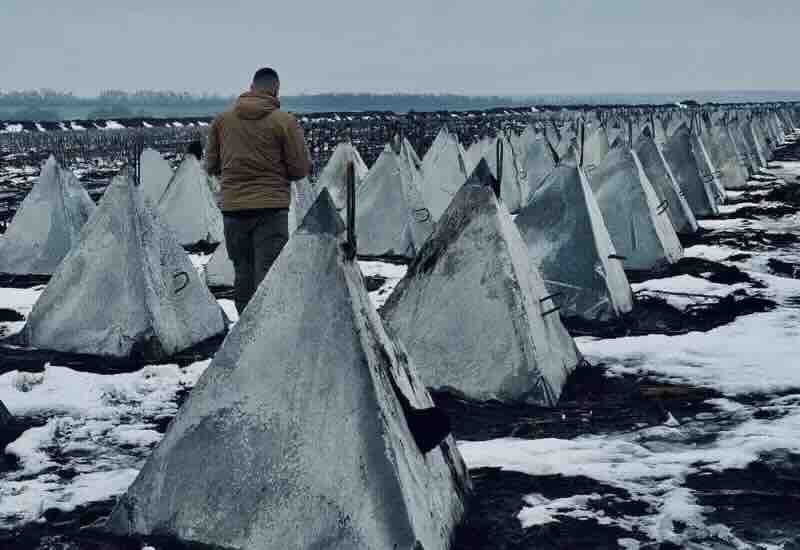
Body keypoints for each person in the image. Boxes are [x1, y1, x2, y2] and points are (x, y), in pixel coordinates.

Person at [206, 67, 311, 313]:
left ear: (251, 87)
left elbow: (210, 165)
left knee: (243, 272)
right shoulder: (284, 122)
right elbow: (299, 169)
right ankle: (265, 334)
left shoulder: (221, 121)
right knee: (269, 273)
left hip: (233, 209)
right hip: (271, 210)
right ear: (275, 90)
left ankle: (243, 332)